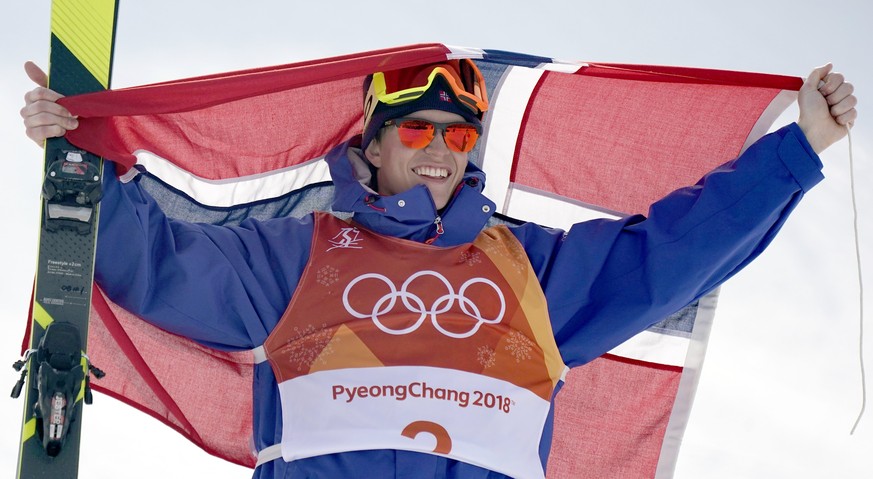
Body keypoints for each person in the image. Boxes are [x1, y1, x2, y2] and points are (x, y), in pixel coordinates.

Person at [22, 58, 856, 479]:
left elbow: (667, 253)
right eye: (416, 130)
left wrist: (794, 152)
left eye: (457, 136)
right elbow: (164, 266)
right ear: (372, 144)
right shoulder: (298, 255)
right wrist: (83, 162)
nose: (438, 151)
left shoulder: (529, 269)